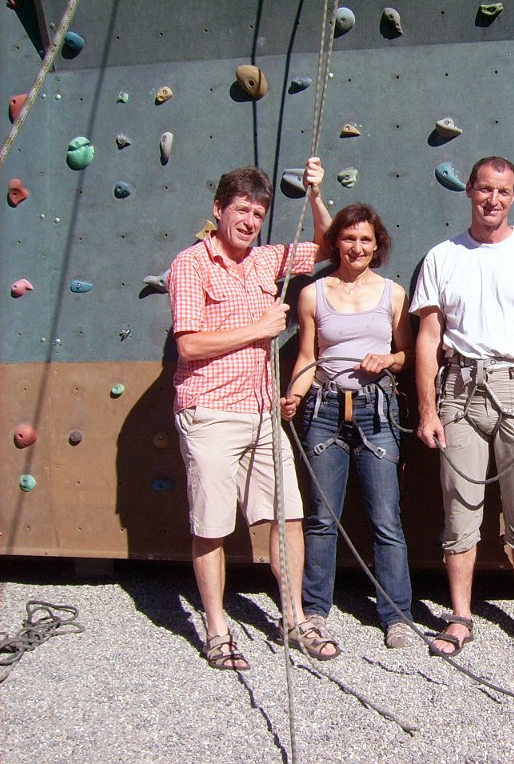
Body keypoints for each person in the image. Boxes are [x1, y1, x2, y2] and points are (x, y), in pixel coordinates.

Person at [169, 157, 338, 670]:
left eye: (259, 212)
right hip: (210, 412)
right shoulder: (190, 265)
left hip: (263, 412)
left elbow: (328, 248)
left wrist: (314, 196)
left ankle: (294, 619)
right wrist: (260, 329)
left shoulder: (266, 260)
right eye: (241, 209)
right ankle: (217, 631)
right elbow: (190, 346)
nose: (250, 220)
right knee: (212, 525)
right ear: (219, 210)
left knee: (288, 517)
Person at [410, 156, 514, 658]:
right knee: (460, 512)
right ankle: (460, 617)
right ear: (470, 193)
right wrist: (427, 409)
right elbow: (428, 338)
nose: (492, 200)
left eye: (502, 191)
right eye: (484, 190)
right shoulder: (443, 256)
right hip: (458, 388)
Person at [281, 203, 416, 650]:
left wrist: (387, 360)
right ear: (336, 241)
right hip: (321, 410)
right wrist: (294, 396)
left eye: (366, 240)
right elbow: (306, 356)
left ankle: (396, 615)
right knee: (322, 519)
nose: (358, 247)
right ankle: (315, 612)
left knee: (385, 518)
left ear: (377, 246)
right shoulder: (312, 294)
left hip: (376, 412)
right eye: (350, 238)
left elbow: (406, 354)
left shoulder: (392, 294)